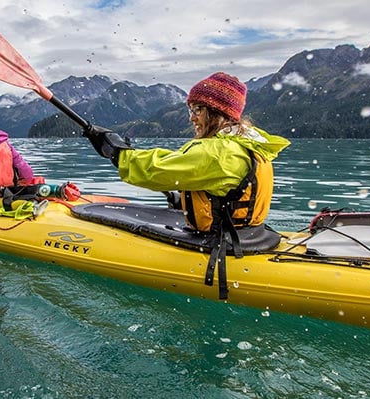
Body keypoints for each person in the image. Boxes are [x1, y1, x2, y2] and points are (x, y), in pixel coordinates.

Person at [85, 72, 290, 299]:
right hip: (252, 235)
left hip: (225, 243)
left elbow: (156, 170)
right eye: (191, 110)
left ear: (217, 113)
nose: (192, 118)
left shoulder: (218, 152)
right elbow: (222, 187)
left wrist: (118, 154)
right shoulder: (250, 143)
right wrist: (182, 197)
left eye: (197, 110)